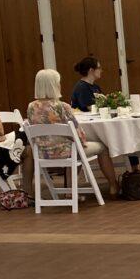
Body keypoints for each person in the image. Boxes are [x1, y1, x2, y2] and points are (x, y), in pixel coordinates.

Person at [27, 69, 119, 197]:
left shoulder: (31, 107)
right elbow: (78, 134)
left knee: (74, 149)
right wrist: (83, 142)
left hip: (43, 153)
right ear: (53, 85)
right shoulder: (62, 106)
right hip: (67, 151)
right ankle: (114, 185)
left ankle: (71, 191)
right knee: (102, 148)